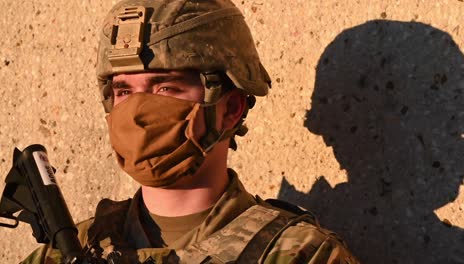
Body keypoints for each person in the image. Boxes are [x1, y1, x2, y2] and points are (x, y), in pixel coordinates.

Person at [22, 0, 359, 263]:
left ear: (230, 108)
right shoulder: (67, 250)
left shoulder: (299, 255)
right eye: (124, 92)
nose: (137, 112)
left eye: (165, 88)